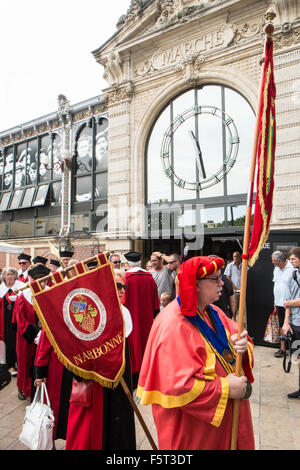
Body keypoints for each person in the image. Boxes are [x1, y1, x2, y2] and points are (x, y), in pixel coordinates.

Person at [137, 256, 255, 450]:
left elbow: (237, 334)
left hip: (223, 423)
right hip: (194, 431)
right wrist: (225, 388)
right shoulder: (173, 325)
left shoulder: (213, 311)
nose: (221, 283)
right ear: (196, 285)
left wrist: (241, 343)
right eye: (215, 279)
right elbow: (178, 386)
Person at [65, 272, 136, 450]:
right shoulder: (95, 314)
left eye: (123, 287)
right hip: (99, 383)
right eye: (117, 286)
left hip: (121, 379)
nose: (121, 291)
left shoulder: (124, 311)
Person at [123, 251, 160, 388]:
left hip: (129, 324)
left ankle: (134, 380)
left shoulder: (125, 279)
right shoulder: (149, 278)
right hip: (146, 323)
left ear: (127, 264)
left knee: (132, 352)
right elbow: (156, 305)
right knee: (146, 349)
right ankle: (146, 379)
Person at [13, 265, 49, 400]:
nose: (41, 283)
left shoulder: (50, 292)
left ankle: (42, 389)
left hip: (46, 336)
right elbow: (21, 321)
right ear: (31, 279)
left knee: (43, 362)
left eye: (44, 280)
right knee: (25, 362)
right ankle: (23, 388)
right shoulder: (24, 295)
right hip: (27, 338)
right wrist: (37, 335)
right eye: (38, 280)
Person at [0, 268, 26, 376]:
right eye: (7, 274)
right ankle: (10, 366)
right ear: (4, 276)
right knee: (8, 341)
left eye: (11, 274)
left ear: (15, 275)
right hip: (4, 320)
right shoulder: (1, 288)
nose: (9, 276)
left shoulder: (21, 286)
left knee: (18, 340)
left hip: (18, 318)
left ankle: (20, 365)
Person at [282, 247, 300, 399]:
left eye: (294, 259)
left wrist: (290, 302)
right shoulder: (293, 275)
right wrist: (286, 323)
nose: (291, 261)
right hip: (295, 323)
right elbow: (287, 303)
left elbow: (289, 302)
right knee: (297, 357)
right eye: (290, 259)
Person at [271, 251, 294, 358]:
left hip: (291, 304)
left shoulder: (292, 269)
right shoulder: (276, 269)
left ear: (280, 261)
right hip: (279, 303)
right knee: (281, 326)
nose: (273, 263)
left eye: (274, 261)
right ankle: (283, 349)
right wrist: (275, 301)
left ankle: (294, 349)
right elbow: (276, 285)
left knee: (294, 326)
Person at [224, 252, 242, 320]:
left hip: (242, 290)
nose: (235, 258)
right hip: (234, 290)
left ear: (240, 257)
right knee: (234, 306)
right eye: (234, 256)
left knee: (242, 307)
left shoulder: (243, 265)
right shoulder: (230, 265)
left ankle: (240, 321)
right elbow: (227, 277)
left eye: (237, 256)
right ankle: (234, 321)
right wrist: (233, 286)